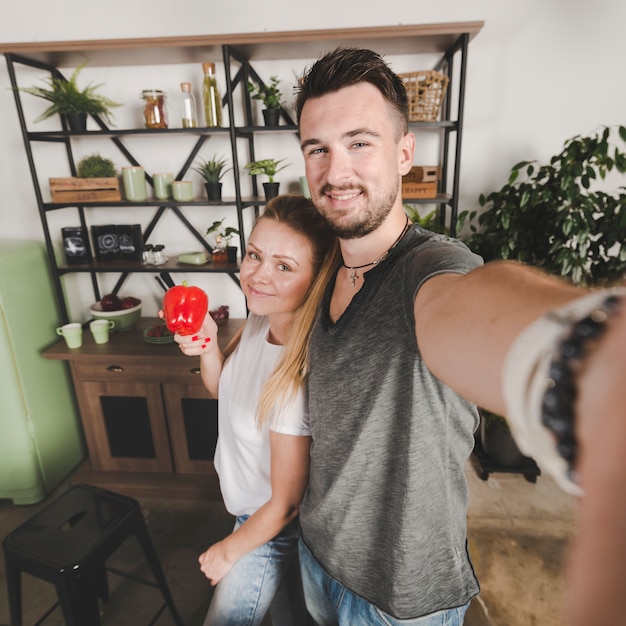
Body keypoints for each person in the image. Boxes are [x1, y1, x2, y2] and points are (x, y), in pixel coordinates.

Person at [293, 46, 626, 626]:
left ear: (404, 153)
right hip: (317, 554)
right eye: (316, 148)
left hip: (399, 598)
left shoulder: (433, 267)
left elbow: (464, 308)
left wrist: (593, 365)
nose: (335, 171)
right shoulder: (324, 268)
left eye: (359, 142)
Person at [172, 193, 339, 626]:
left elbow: (285, 504)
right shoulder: (260, 321)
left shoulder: (296, 375)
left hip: (267, 529)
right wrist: (207, 344)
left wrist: (228, 551)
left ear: (317, 277)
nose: (257, 276)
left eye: (284, 266)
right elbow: (226, 391)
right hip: (246, 511)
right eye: (254, 256)